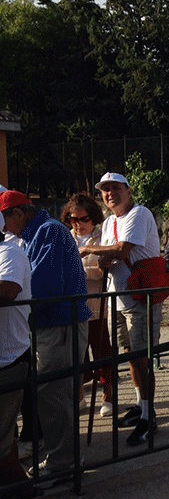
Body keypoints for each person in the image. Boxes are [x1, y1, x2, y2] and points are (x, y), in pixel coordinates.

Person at [0, 190, 90, 475]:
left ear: (17, 214)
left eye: (4, 220)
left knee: (54, 395)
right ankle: (62, 459)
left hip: (59, 324)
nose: (3, 229)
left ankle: (64, 465)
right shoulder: (37, 233)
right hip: (54, 324)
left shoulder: (48, 231)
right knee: (54, 394)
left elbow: (43, 285)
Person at [80, 172, 165, 445]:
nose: (110, 194)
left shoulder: (139, 214)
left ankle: (148, 415)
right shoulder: (108, 223)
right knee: (130, 354)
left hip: (140, 297)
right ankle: (141, 406)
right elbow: (110, 258)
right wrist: (102, 259)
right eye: (105, 190)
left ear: (128, 191)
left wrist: (90, 250)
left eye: (115, 188)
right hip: (118, 297)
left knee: (142, 355)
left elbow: (121, 250)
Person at [62, 193, 113, 418]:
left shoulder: (102, 237)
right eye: (73, 219)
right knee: (77, 354)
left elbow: (105, 270)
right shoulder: (65, 237)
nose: (79, 224)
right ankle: (80, 394)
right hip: (73, 308)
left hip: (97, 305)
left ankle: (108, 395)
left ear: (93, 218)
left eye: (83, 219)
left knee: (101, 351)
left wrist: (79, 273)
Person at [0, 210, 36, 499]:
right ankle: (19, 489)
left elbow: (8, 291)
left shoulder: (8, 252)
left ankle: (20, 490)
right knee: (5, 435)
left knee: (1, 436)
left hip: (9, 357)